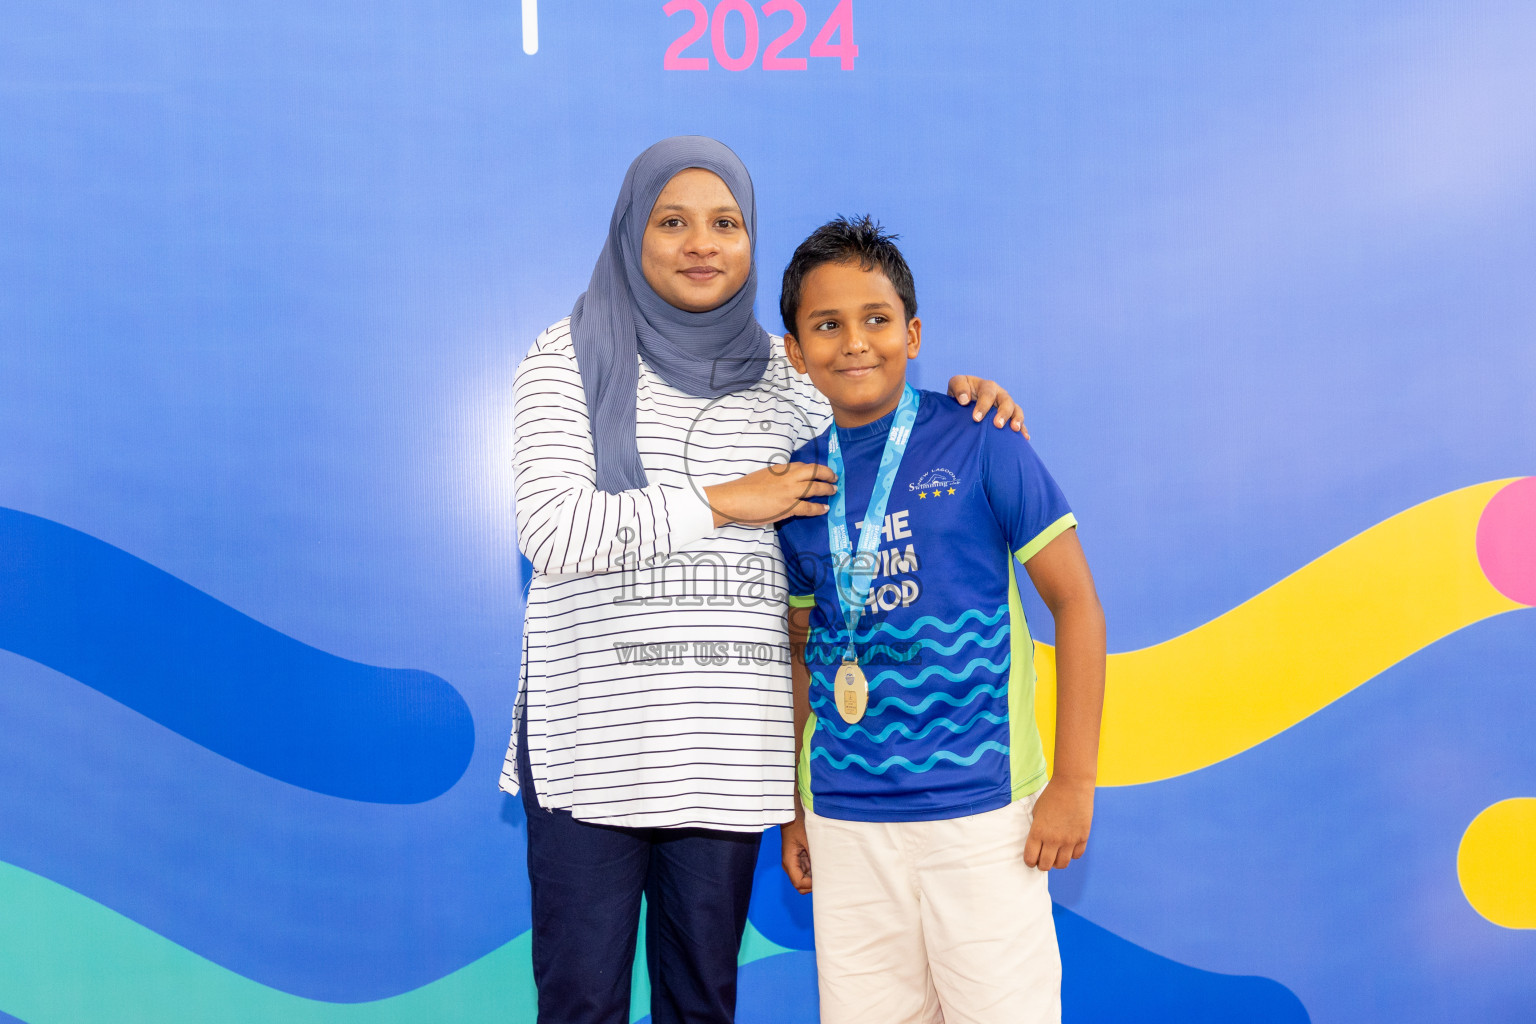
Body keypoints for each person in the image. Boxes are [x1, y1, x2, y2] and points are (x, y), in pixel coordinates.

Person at [499, 138, 1028, 1024]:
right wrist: (724, 500)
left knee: (703, 1004)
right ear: (633, 232)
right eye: (673, 222)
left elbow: (882, 413)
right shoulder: (568, 356)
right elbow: (552, 530)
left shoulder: (793, 378)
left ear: (750, 240)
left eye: (726, 223)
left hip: (727, 758)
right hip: (594, 752)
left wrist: (971, 403)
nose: (701, 243)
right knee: (581, 1004)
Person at [775, 215, 1106, 1024]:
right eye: (827, 325)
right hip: (846, 821)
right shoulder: (796, 490)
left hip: (984, 816)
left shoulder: (984, 438)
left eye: (876, 320)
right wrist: (794, 803)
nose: (854, 343)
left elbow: (1077, 607)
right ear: (795, 350)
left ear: (912, 332)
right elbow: (801, 654)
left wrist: (1073, 783)